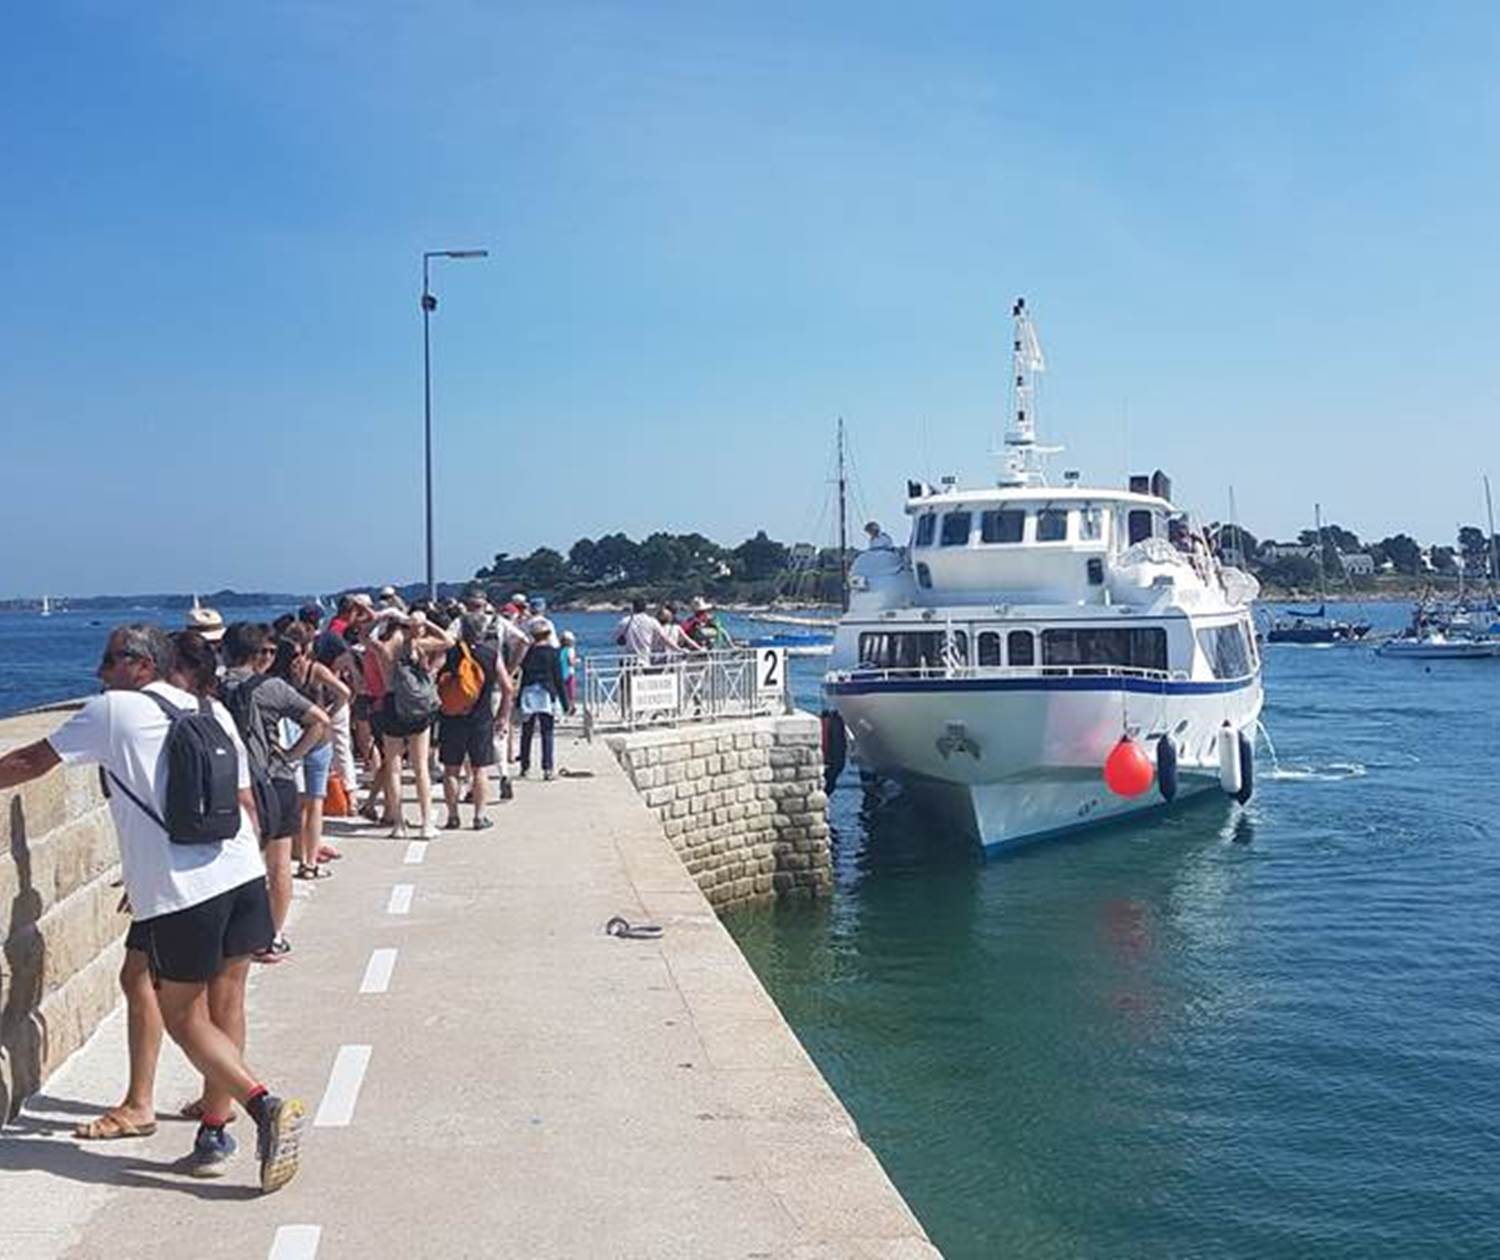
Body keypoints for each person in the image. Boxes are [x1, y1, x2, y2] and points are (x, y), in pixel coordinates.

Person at [0, 625, 307, 1187]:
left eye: (110, 660)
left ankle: (263, 1106)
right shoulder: (208, 709)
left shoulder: (115, 710)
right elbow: (244, 802)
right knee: (227, 999)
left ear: (142, 665)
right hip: (240, 873)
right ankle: (215, 1129)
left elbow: (26, 763)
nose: (99, 671)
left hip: (183, 891)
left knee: (183, 1015)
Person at [220, 622, 331, 960]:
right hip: (274, 780)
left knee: (235, 863)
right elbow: (319, 720)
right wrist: (293, 755)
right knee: (278, 864)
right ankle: (272, 936)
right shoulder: (273, 688)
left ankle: (234, 935)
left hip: (229, 784)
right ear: (257, 655)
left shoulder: (210, 688)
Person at [366, 608, 452, 838]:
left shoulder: (384, 649)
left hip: (392, 704)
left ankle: (398, 824)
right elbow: (448, 640)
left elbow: (364, 637)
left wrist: (380, 617)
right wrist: (426, 621)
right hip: (417, 708)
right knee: (420, 767)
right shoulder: (418, 646)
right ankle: (426, 824)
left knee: (393, 767)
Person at [275, 623, 351, 878]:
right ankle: (309, 861)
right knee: (314, 802)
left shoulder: (280, 674)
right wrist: (328, 713)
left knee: (299, 800)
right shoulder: (315, 670)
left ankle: (301, 853)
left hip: (291, 739)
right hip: (319, 737)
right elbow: (345, 693)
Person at [437, 612, 501, 830]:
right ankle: (479, 816)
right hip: (481, 717)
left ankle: (453, 817)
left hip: (452, 716)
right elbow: (508, 688)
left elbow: (434, 675)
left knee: (451, 769)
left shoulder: (450, 653)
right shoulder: (491, 654)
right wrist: (502, 715)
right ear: (482, 632)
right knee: (479, 770)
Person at [517, 619, 571, 779]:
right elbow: (558, 679)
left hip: (528, 691)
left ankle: (524, 767)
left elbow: (522, 675)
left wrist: (518, 699)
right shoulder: (553, 653)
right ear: (548, 635)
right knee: (547, 732)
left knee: (526, 732)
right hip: (546, 692)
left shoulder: (528, 653)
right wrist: (565, 702)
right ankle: (547, 768)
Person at [616, 596, 668, 664]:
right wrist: (679, 649)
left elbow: (616, 639)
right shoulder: (652, 621)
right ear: (645, 608)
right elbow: (665, 638)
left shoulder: (624, 621)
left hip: (628, 662)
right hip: (644, 660)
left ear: (633, 607)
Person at [559, 629, 579, 710]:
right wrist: (576, 661)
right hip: (569, 673)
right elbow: (571, 662)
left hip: (561, 673)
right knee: (571, 691)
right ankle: (571, 707)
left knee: (563, 691)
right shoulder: (570, 649)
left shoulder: (559, 649)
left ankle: (564, 706)